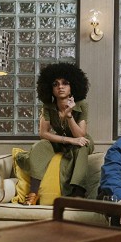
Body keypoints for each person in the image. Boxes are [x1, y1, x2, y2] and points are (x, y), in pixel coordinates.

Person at [16, 62, 94, 205]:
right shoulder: (48, 107)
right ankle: (33, 193)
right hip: (62, 141)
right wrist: (68, 140)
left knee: (82, 146)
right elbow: (43, 134)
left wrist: (69, 115)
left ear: (72, 86)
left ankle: (78, 194)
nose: (60, 87)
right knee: (40, 146)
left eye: (65, 83)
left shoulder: (82, 104)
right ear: (50, 88)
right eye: (55, 84)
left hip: (80, 140)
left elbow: (80, 135)